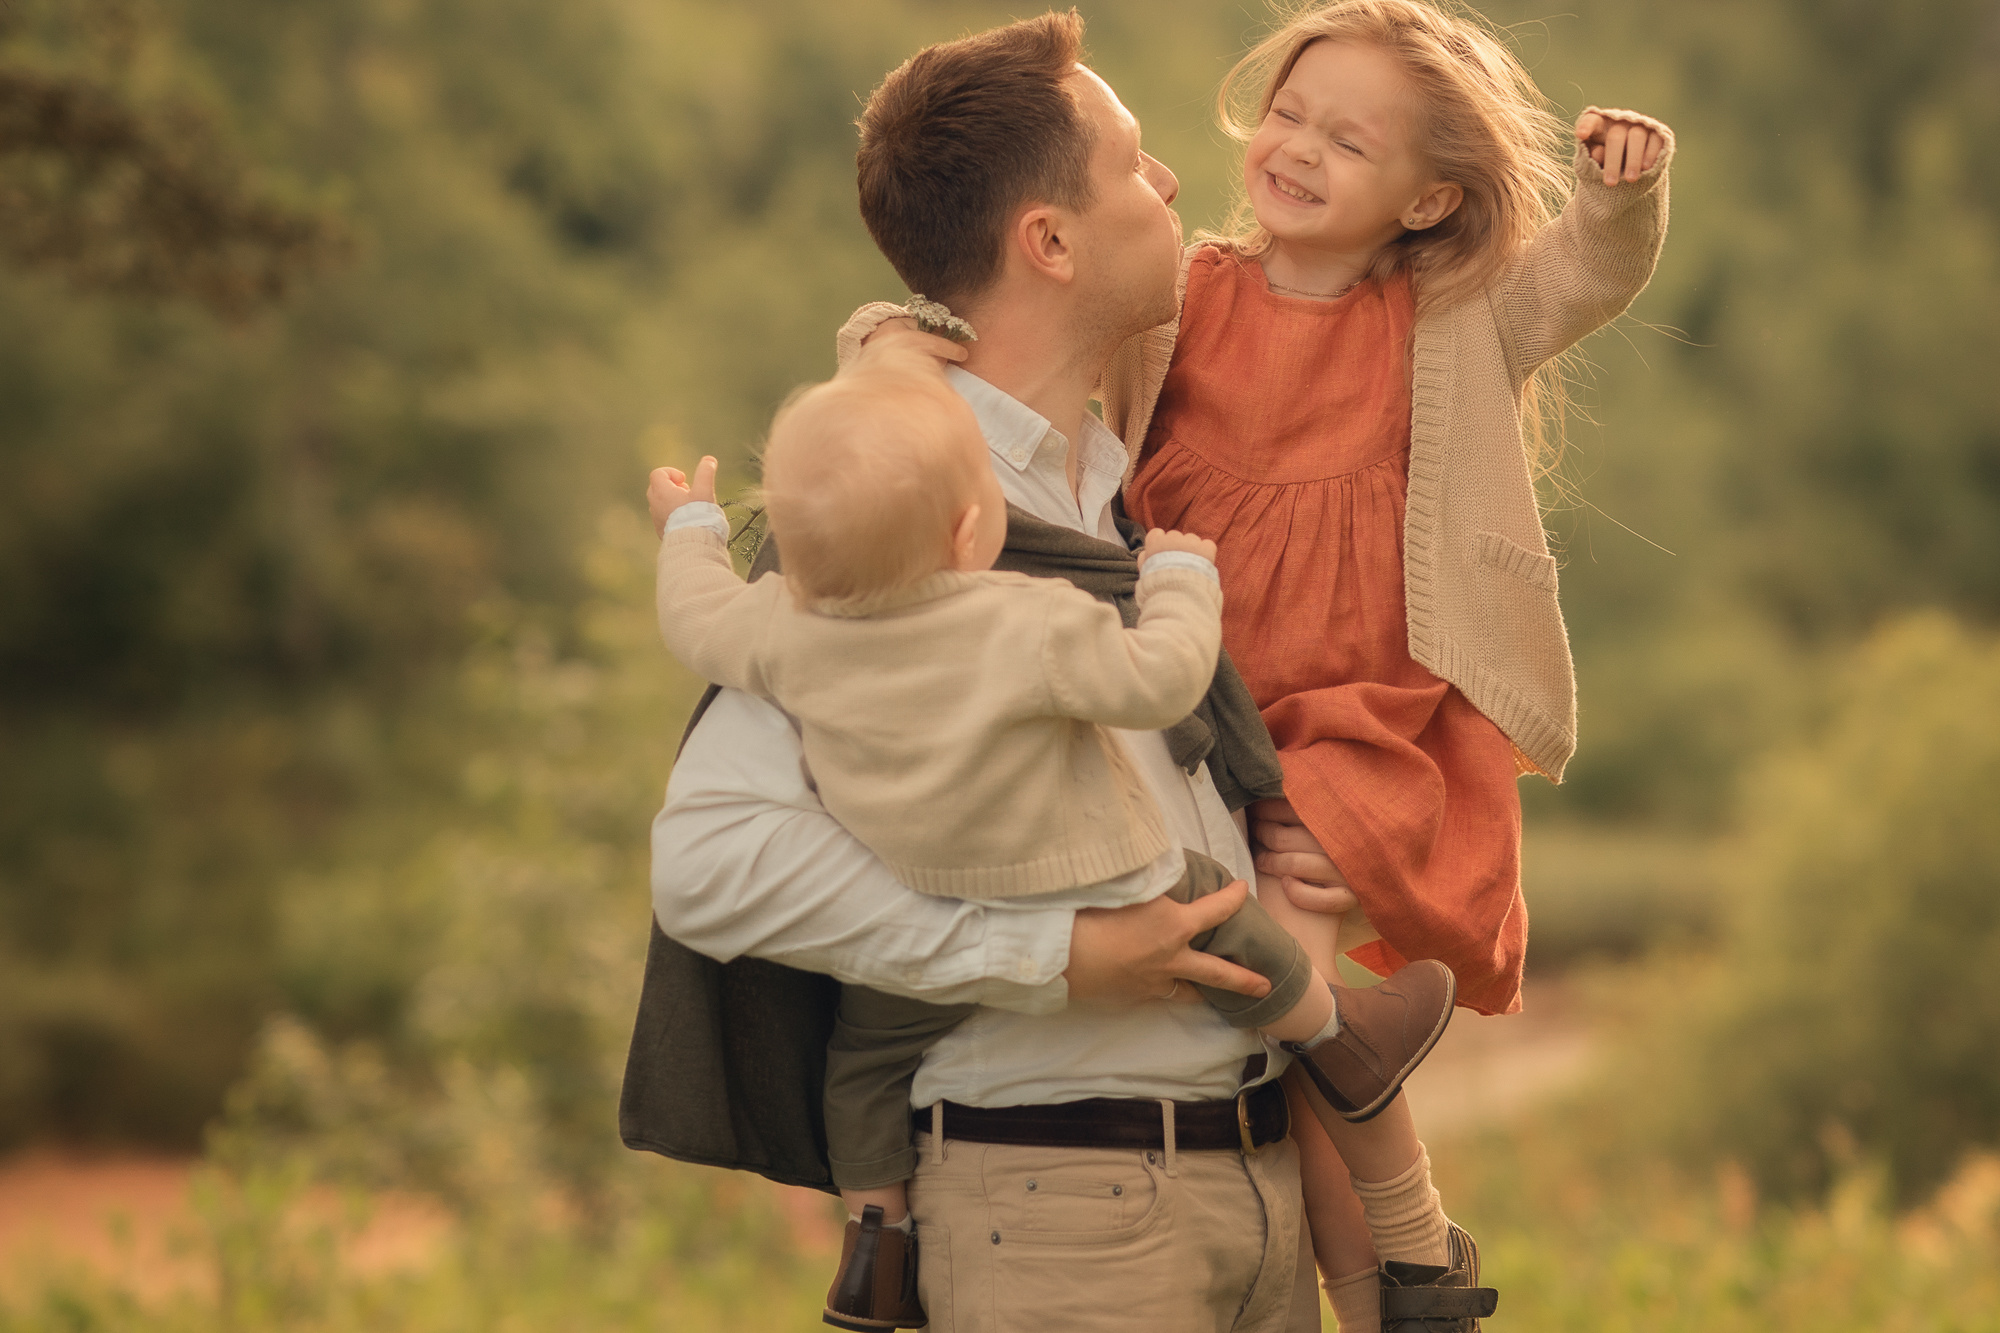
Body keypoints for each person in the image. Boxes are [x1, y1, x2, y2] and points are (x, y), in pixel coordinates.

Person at [844, 3, 1676, 1328]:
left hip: (1354, 712)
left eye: (1349, 140)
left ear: (1427, 200)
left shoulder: (1445, 322)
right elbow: (1017, 324)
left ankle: (1392, 1261)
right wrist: (887, 339)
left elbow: (1576, 275)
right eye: (1287, 113)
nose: (1295, 147)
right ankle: (1406, 1273)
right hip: (1197, 699)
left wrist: (1620, 200)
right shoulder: (1186, 295)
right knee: (1291, 1053)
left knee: (1292, 964)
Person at [621, 12, 1381, 1332]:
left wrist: (1312, 848)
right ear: (1050, 240)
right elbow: (710, 861)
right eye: (1136, 163)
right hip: (1062, 1208)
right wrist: (1048, 954)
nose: (1169, 188)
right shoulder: (890, 500)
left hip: (1250, 1186)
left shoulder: (1121, 485)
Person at [647, 336, 1457, 1329]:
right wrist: (1179, 581)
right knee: (1215, 905)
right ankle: (1333, 1029)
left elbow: (695, 615)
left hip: (937, 913)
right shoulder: (1020, 619)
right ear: (969, 530)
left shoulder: (780, 632)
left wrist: (690, 522)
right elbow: (1159, 676)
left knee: (861, 1062)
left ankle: (875, 1259)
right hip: (1093, 889)